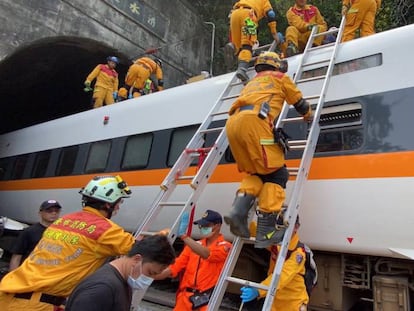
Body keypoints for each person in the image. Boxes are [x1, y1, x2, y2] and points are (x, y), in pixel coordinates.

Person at [0, 175, 136, 311]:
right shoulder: (105, 229)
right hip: (34, 306)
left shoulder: (61, 221)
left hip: (8, 296)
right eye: (119, 202)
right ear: (108, 204)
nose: (118, 207)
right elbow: (142, 250)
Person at [224, 51, 311, 249]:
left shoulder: (251, 83)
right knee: (278, 174)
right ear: (276, 66)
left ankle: (238, 211)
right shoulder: (280, 78)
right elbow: (299, 102)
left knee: (258, 173)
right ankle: (266, 230)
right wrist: (308, 115)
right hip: (256, 122)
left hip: (233, 124)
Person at [65, 234, 176, 311]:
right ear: (137, 259)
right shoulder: (102, 288)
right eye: (150, 273)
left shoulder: (122, 281)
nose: (150, 279)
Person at [154, 209, 232, 311]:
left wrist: (184, 237)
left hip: (206, 300)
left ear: (217, 226)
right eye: (201, 226)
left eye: (206, 226)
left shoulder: (225, 247)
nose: (203, 228)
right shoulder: (193, 246)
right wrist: (150, 274)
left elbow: (208, 254)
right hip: (185, 298)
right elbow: (175, 267)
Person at [240, 216, 309, 310]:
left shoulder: (298, 253)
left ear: (296, 227)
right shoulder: (277, 243)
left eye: (286, 227)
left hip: (293, 303)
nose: (282, 230)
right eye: (279, 227)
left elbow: (282, 276)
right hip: (275, 299)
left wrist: (258, 290)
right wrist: (245, 218)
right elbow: (258, 233)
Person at [227, 0, 280, 82]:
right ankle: (242, 69)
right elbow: (271, 14)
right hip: (248, 16)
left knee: (238, 46)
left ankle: (234, 51)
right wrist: (274, 33)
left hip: (234, 14)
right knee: (247, 45)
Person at [9, 200, 62, 271]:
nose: (54, 213)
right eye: (49, 211)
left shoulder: (63, 231)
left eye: (57, 211)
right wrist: (12, 277)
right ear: (40, 213)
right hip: (33, 271)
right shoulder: (29, 232)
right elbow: (17, 256)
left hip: (54, 271)